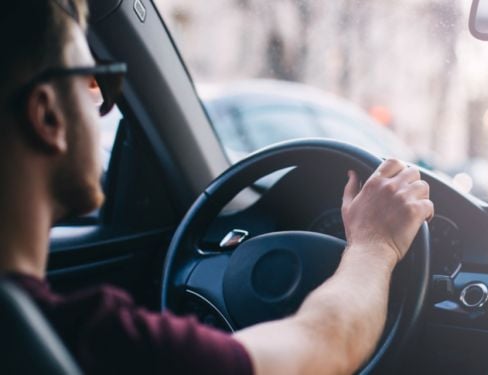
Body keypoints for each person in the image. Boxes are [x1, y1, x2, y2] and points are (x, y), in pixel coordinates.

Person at [0, 1, 433, 374]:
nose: (102, 105)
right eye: (94, 82)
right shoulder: (97, 342)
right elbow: (326, 348)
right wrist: (376, 246)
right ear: (48, 116)